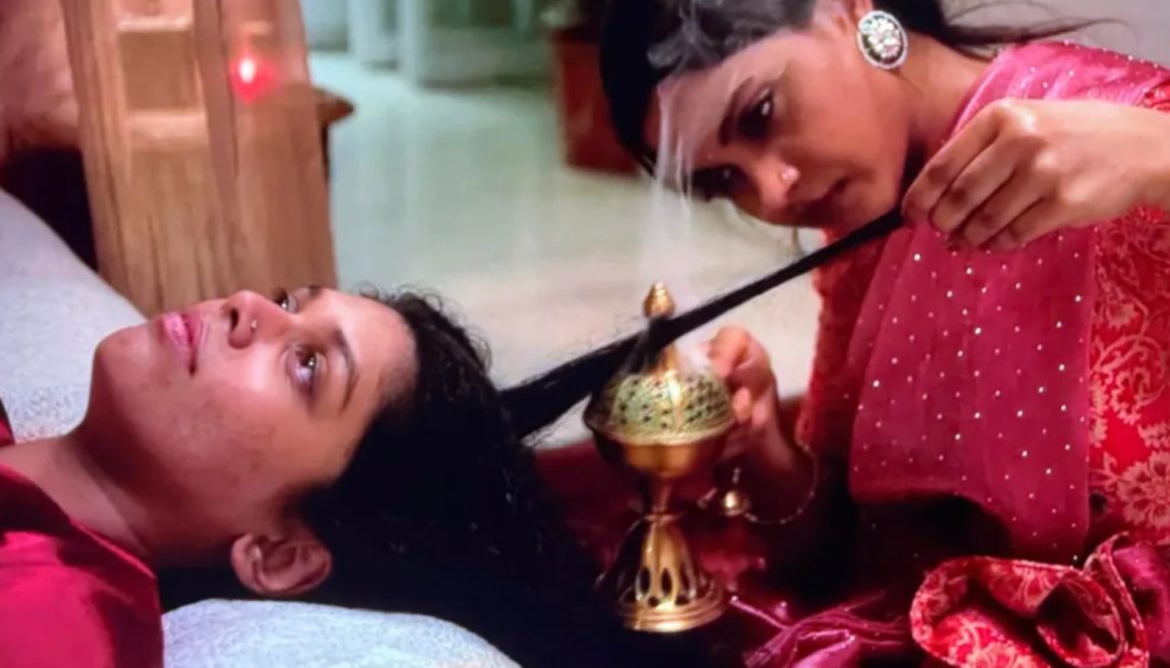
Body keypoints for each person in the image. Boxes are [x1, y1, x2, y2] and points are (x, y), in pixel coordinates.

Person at [536, 0, 1170, 665]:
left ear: (841, 2)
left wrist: (1158, 156)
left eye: (761, 114)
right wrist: (767, 450)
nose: (773, 193)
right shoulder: (864, 234)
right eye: (723, 181)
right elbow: (851, 549)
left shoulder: (1118, 132)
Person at [0, 286, 702, 668]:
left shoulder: (49, 619)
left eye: (307, 366)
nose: (247, 303)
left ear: (280, 556)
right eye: (287, 300)